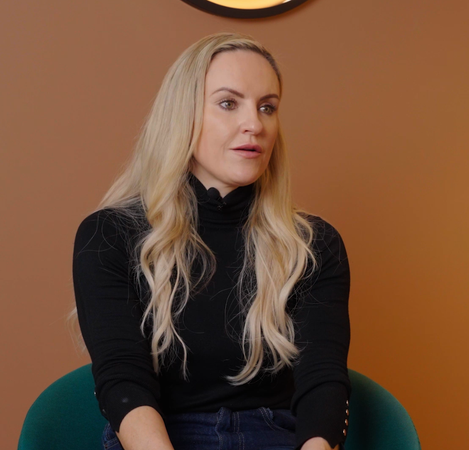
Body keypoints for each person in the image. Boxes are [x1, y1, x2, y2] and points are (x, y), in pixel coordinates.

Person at [68, 32, 351, 450]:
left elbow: (322, 378)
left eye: (267, 107)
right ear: (183, 116)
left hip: (276, 437)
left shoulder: (313, 244)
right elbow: (122, 378)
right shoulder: (109, 235)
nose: (254, 124)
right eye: (227, 103)